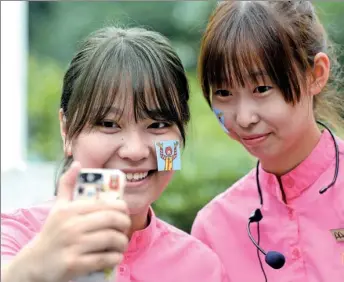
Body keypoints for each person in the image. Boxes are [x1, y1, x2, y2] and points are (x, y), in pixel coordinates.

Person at [1, 26, 228, 282]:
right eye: (108, 124)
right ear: (66, 129)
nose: (134, 151)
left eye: (158, 125)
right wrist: (33, 269)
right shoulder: (13, 236)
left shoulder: (202, 267)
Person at [191, 1, 344, 282]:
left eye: (262, 88)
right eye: (223, 92)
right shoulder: (214, 227)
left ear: (316, 74)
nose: (244, 117)